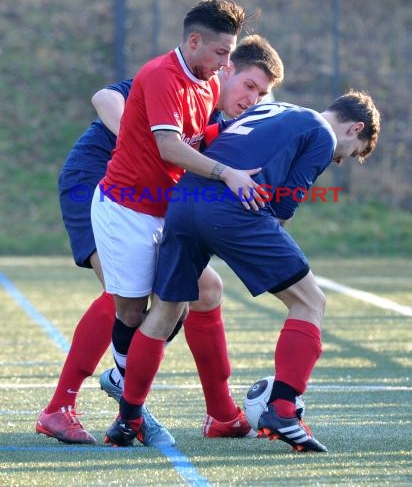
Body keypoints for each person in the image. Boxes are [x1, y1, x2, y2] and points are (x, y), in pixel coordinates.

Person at [35, 24, 284, 444]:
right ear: (224, 68)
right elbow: (105, 97)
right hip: (96, 180)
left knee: (204, 290)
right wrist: (140, 140)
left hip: (149, 198)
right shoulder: (179, 80)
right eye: (249, 85)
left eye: (261, 96)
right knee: (123, 297)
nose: (251, 99)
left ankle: (220, 413)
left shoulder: (218, 115)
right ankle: (63, 407)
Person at [103, 90, 381, 453]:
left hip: (186, 200)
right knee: (310, 301)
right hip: (233, 210)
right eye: (353, 153)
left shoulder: (271, 107)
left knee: (166, 311)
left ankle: (129, 418)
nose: (341, 160)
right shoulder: (324, 134)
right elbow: (281, 209)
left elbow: (217, 144)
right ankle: (283, 407)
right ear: (354, 128)